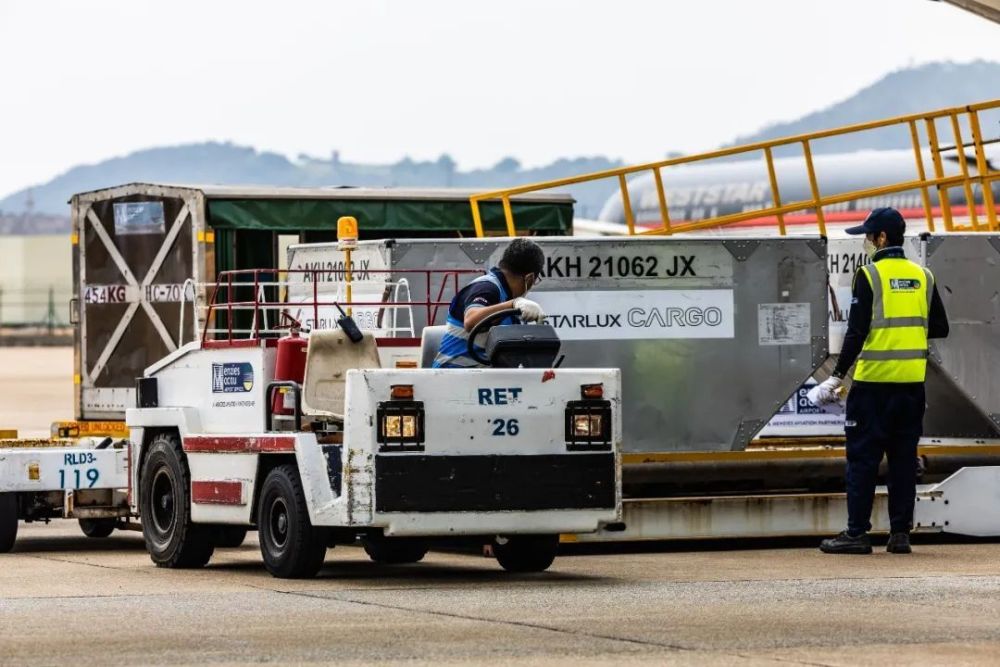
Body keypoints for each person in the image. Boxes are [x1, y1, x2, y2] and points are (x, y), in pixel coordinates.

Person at [812, 207, 949, 555]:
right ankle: (900, 535)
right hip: (911, 388)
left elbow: (856, 332)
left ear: (882, 238)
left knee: (862, 460)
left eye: (869, 236)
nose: (866, 242)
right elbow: (940, 328)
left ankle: (857, 534)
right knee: (903, 461)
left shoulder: (870, 275)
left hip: (873, 388)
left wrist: (836, 377)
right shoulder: (924, 276)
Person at [432, 238, 546, 368]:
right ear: (530, 278)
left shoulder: (509, 306)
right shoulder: (487, 288)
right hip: (451, 375)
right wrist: (514, 303)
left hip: (484, 378)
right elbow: (471, 321)